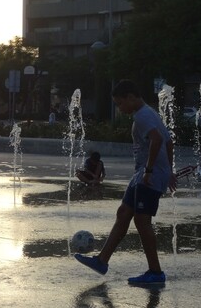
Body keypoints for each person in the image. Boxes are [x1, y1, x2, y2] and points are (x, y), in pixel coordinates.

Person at [74, 80, 177, 285]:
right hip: (144, 174)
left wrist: (150, 171)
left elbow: (157, 141)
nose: (120, 109)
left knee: (141, 221)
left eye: (120, 103)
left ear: (131, 97)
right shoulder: (148, 113)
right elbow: (169, 142)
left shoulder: (142, 116)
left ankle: (155, 272)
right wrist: (169, 171)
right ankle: (102, 261)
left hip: (149, 175)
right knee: (123, 213)